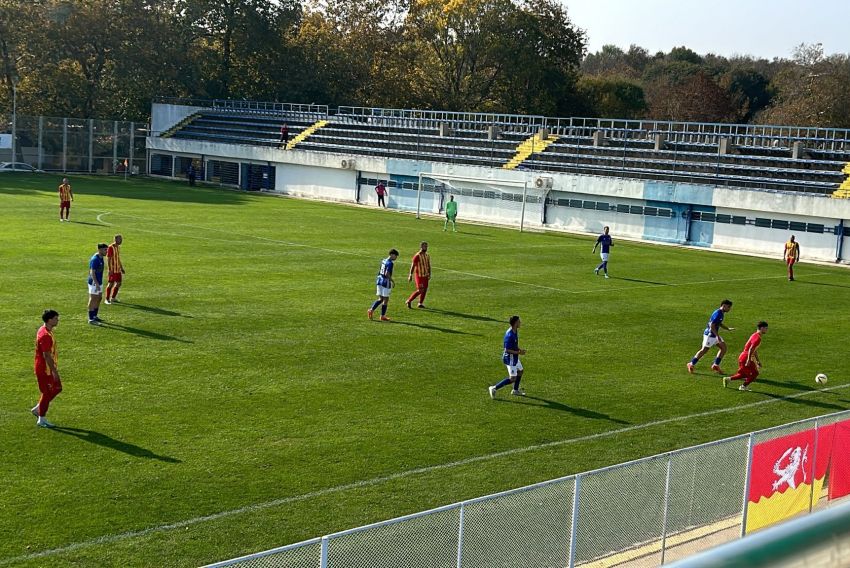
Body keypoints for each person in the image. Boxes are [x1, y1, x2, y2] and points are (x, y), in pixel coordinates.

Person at [687, 299, 735, 374]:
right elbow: (712, 325)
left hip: (714, 335)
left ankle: (716, 365)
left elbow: (719, 323)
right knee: (704, 350)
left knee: (723, 348)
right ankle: (691, 364)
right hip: (710, 335)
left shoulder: (721, 313)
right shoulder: (718, 313)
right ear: (723, 306)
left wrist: (727, 328)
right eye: (728, 307)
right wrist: (717, 336)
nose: (729, 309)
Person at [32, 309, 62, 428]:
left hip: (46, 367)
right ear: (49, 320)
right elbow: (46, 355)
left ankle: (38, 408)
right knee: (47, 392)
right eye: (55, 319)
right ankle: (41, 418)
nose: (57, 320)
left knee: (57, 388)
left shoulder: (44, 329)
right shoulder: (45, 336)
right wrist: (54, 371)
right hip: (45, 369)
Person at [489, 315, 527, 398]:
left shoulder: (515, 330)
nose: (520, 323)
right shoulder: (509, 335)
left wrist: (519, 350)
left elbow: (514, 344)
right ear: (515, 323)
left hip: (515, 356)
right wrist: (519, 352)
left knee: (520, 371)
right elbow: (507, 350)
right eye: (519, 321)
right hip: (510, 358)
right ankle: (494, 388)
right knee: (513, 378)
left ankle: (515, 390)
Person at [724, 321, 768, 391]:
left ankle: (728, 379)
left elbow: (754, 350)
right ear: (762, 328)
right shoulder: (758, 338)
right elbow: (751, 349)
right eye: (766, 328)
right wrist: (748, 360)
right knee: (755, 373)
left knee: (743, 374)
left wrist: (758, 360)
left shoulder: (754, 335)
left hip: (742, 356)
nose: (767, 330)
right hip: (747, 357)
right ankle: (743, 386)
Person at [368, 249, 399, 321]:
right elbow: (387, 274)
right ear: (391, 254)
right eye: (395, 256)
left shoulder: (383, 260)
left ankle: (371, 310)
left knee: (381, 299)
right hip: (385, 282)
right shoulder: (390, 263)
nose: (396, 258)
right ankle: (382, 316)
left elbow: (380, 271)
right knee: (386, 299)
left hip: (379, 280)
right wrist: (392, 281)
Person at [87, 243, 108, 325]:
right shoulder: (95, 259)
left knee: (99, 298)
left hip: (99, 282)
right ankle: (91, 319)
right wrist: (97, 284)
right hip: (94, 283)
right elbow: (92, 272)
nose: (106, 251)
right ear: (100, 250)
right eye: (105, 250)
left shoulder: (101, 257)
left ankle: (95, 316)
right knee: (93, 299)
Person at [406, 241, 431, 309]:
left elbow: (428, 265)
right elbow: (413, 265)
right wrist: (410, 275)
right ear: (421, 247)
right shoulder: (417, 255)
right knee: (420, 290)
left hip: (425, 275)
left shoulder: (427, 255)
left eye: (426, 246)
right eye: (424, 246)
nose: (426, 248)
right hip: (419, 276)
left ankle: (420, 303)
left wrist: (429, 273)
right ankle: (409, 300)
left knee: (425, 289)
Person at [104, 234, 125, 304]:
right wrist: (110, 269)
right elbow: (108, 259)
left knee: (119, 283)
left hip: (118, 269)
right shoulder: (111, 247)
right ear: (115, 240)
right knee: (111, 284)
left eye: (121, 239)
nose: (121, 240)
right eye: (120, 239)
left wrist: (121, 268)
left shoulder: (118, 247)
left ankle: (113, 298)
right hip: (113, 269)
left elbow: (118, 258)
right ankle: (107, 299)